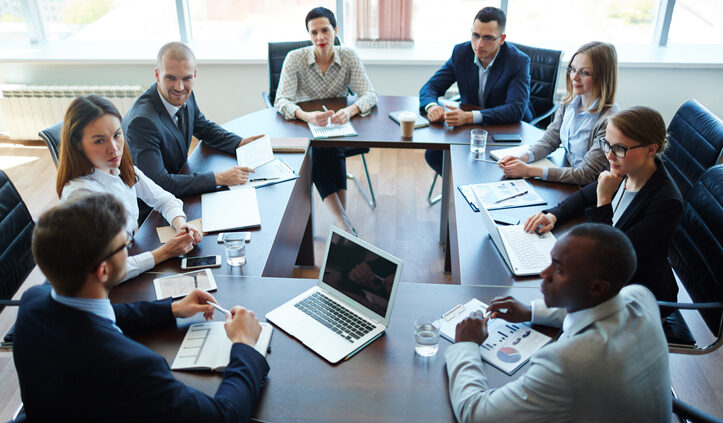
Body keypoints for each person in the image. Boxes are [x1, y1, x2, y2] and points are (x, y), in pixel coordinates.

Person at [13, 194, 269, 422]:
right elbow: (225, 416)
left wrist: (172, 309)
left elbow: (95, 317)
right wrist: (244, 343)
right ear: (103, 271)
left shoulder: (32, 303)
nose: (128, 249)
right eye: (124, 245)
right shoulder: (134, 367)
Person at [446, 223, 671, 422]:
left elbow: (475, 414)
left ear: (597, 287)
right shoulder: (640, 296)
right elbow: (594, 309)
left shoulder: (566, 362)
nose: (545, 273)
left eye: (559, 269)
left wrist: (466, 345)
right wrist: (531, 312)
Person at [524, 106, 683, 303]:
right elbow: (583, 197)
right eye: (607, 144)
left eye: (619, 148)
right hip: (608, 280)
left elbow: (610, 258)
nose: (609, 155)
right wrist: (553, 215)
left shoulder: (667, 203)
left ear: (651, 149)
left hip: (637, 297)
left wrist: (604, 200)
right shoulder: (628, 169)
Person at [56, 95, 199, 282]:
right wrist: (164, 253)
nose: (114, 148)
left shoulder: (120, 168)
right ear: (78, 145)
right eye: (99, 141)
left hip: (130, 256)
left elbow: (164, 199)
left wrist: (182, 225)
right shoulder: (81, 195)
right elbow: (107, 272)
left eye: (116, 135)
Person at [274, 7, 377, 234]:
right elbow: (280, 100)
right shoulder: (295, 59)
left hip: (336, 124)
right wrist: (306, 115)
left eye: (325, 30)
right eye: (314, 33)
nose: (320, 37)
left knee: (330, 147)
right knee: (320, 149)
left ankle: (342, 223)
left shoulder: (348, 56)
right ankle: (343, 222)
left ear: (335, 30)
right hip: (302, 126)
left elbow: (369, 94)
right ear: (309, 35)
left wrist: (350, 111)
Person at [124, 41, 264, 197]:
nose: (179, 87)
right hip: (155, 206)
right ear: (157, 75)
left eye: (186, 78)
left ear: (194, 75)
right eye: (170, 78)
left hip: (181, 181)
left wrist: (239, 143)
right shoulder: (142, 122)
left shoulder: (185, 96)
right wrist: (218, 178)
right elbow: (159, 183)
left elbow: (203, 127)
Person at [419, 6, 533, 175]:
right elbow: (430, 87)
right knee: (434, 155)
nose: (479, 44)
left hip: (507, 130)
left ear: (501, 39)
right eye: (476, 35)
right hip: (470, 131)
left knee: (492, 169)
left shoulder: (518, 61)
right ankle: (460, 191)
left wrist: (468, 117)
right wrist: (432, 107)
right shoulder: (461, 53)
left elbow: (515, 110)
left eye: (487, 38)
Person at [499, 41, 619, 184]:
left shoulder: (608, 121)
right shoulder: (570, 101)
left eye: (584, 73)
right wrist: (524, 157)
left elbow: (586, 174)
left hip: (591, 188)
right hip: (566, 174)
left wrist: (529, 170)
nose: (574, 77)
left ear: (603, 77)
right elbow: (551, 139)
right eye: (573, 69)